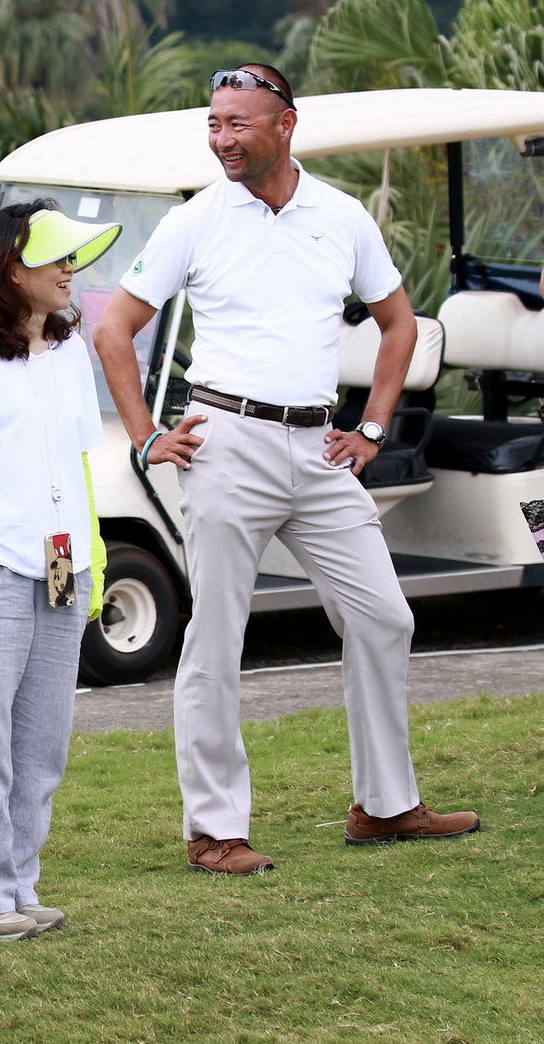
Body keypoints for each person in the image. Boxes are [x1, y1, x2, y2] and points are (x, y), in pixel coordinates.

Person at [93, 65, 479, 876]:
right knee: (219, 636)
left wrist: (371, 425)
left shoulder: (340, 216)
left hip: (319, 448)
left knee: (384, 616)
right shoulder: (196, 220)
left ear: (286, 124)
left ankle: (384, 806)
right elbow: (115, 330)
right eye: (214, 123)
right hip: (224, 441)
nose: (222, 138)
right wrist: (145, 435)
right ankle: (214, 830)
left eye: (238, 123)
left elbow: (399, 324)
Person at [0, 199, 117, 941]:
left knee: (43, 736)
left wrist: (92, 552)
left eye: (73, 256)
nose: (71, 270)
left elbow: (76, 462)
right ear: (12, 267)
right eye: (57, 257)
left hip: (61, 562)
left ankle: (17, 882)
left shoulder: (71, 353)